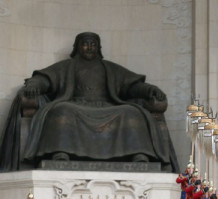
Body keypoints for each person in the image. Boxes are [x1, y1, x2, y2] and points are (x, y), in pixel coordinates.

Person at [0, 32, 178, 172]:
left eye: (93, 44)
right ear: (77, 47)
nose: (89, 47)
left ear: (98, 47)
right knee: (62, 111)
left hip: (108, 107)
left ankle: (139, 155)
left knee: (132, 113)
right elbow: (46, 79)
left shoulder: (109, 68)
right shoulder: (67, 66)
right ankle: (61, 153)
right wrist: (34, 86)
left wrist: (149, 90)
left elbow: (131, 86)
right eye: (85, 43)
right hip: (75, 106)